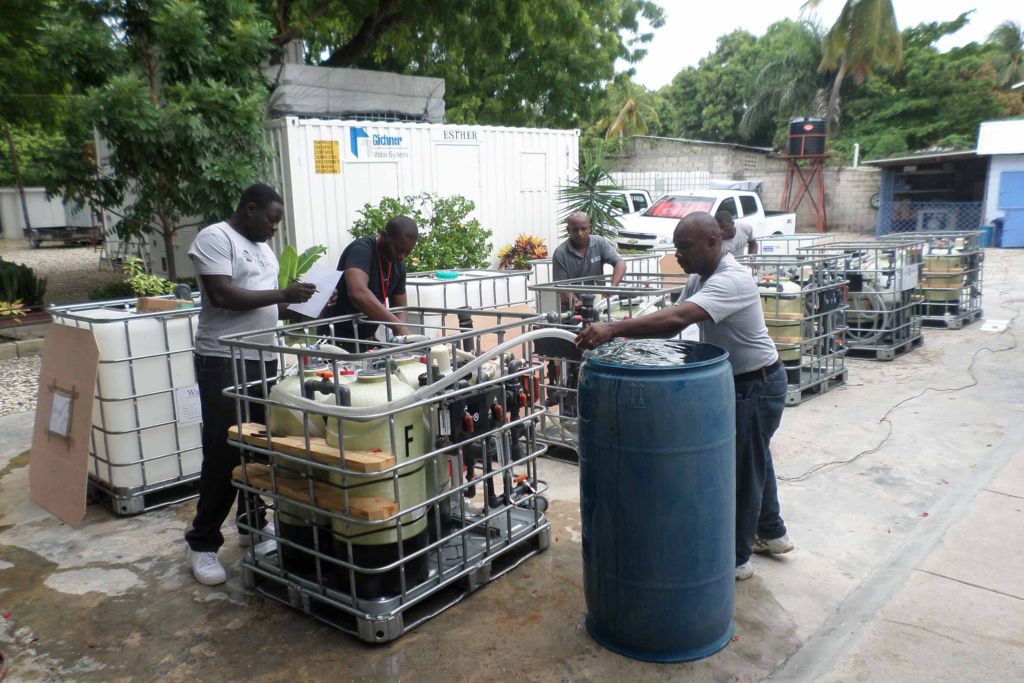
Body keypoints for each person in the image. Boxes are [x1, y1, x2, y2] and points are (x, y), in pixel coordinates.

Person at [575, 211, 793, 581]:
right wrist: (627, 338)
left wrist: (613, 329)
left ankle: (737, 559)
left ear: (713, 243)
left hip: (757, 383)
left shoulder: (732, 279)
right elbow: (673, 316)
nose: (679, 256)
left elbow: (679, 320)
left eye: (685, 247)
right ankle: (772, 532)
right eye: (676, 249)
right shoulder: (700, 277)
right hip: (740, 381)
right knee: (754, 459)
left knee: (743, 470)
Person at [185, 183, 316, 586]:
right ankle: (203, 542)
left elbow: (268, 306)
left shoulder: (262, 248)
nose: (276, 227)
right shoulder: (215, 237)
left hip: (263, 359)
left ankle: (253, 525)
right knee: (224, 452)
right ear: (250, 208)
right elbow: (221, 295)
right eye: (272, 218)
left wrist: (300, 307)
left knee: (259, 446)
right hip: (224, 360)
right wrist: (282, 293)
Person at [320, 216, 418, 344]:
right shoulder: (361, 249)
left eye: (407, 253)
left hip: (365, 339)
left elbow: (399, 307)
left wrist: (401, 333)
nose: (401, 256)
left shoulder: (398, 264)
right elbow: (358, 292)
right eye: (398, 249)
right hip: (337, 338)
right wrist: (397, 326)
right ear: (384, 235)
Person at [551, 211, 627, 311]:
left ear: (589, 227)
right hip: (571, 309)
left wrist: (611, 289)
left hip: (598, 305)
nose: (580, 234)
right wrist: (575, 301)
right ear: (568, 230)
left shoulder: (600, 242)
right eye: (575, 230)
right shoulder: (560, 253)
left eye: (583, 229)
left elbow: (620, 263)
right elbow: (561, 286)